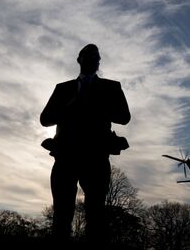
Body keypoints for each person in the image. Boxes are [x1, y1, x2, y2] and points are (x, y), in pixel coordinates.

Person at [40, 44, 130, 246]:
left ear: (99, 62)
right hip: (66, 158)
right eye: (88, 57)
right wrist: (68, 107)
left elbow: (125, 117)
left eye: (96, 58)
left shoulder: (112, 87)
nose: (93, 61)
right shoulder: (62, 89)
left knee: (96, 216)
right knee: (61, 216)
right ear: (79, 60)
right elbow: (44, 119)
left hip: (96, 159)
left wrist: (100, 107)